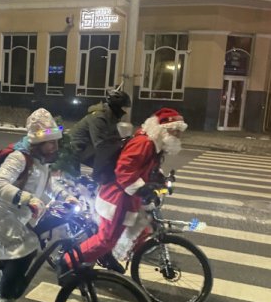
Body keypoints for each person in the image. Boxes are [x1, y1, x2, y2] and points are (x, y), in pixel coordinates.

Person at [62, 107, 187, 275]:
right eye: (175, 131)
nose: (178, 136)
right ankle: (67, 262)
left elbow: (146, 168)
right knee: (106, 240)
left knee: (143, 229)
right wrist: (142, 188)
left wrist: (161, 181)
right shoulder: (144, 143)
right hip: (117, 198)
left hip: (129, 197)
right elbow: (124, 170)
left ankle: (118, 255)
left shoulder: (155, 146)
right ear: (162, 130)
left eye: (179, 132)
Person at [0, 108, 70, 302]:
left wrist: (67, 196)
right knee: (27, 247)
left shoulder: (41, 161)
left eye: (56, 141)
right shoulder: (19, 158)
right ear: (38, 143)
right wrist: (27, 198)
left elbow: (49, 185)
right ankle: (1, 298)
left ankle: (1, 294)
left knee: (22, 249)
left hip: (14, 216)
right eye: (50, 142)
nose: (55, 146)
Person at [69, 88, 132, 181]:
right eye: (123, 108)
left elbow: (115, 138)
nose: (125, 112)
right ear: (116, 107)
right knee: (75, 181)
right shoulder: (99, 118)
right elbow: (101, 145)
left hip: (88, 149)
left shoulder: (111, 118)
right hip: (76, 150)